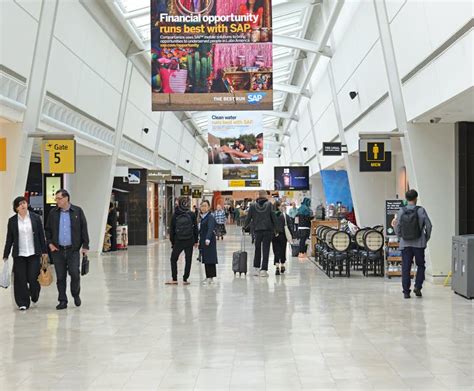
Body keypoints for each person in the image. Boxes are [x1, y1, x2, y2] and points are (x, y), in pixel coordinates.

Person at [45, 190, 89, 310]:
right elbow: (47, 230)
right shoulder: (53, 213)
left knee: (75, 274)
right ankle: (62, 300)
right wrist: (50, 244)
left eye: (58, 198)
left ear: (66, 199)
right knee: (60, 277)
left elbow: (84, 228)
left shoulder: (77, 211)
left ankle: (75, 294)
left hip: (73, 250)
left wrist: (85, 246)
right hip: (57, 250)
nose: (57, 201)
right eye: (56, 199)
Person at [3, 197, 48, 310]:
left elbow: (41, 236)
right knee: (20, 279)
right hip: (19, 254)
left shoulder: (35, 218)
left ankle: (34, 294)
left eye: (24, 202)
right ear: (16, 208)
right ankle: (22, 302)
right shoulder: (12, 221)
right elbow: (9, 239)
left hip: (33, 253)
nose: (22, 205)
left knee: (33, 278)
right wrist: (6, 254)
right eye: (19, 204)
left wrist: (44, 251)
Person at [394, 189, 432, 299]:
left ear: (406, 199)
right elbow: (429, 226)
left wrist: (400, 237)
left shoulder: (401, 211)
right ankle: (418, 287)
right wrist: (426, 238)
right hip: (419, 244)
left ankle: (406, 292)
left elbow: (397, 226)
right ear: (416, 198)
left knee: (406, 267)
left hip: (405, 244)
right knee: (420, 265)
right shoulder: (421, 210)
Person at [244, 190, 278, 277]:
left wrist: (244, 226)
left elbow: (248, 218)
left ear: (259, 195)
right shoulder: (269, 205)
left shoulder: (252, 206)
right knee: (266, 250)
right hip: (268, 230)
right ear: (265, 196)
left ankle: (256, 268)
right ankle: (264, 270)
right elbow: (273, 217)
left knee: (257, 249)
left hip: (257, 230)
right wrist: (277, 229)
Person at [166, 196, 198, 285]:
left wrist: (173, 242)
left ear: (178, 203)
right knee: (188, 260)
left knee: (173, 259)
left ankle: (174, 279)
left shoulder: (175, 214)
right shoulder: (192, 214)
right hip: (189, 240)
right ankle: (185, 279)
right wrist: (196, 241)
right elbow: (195, 228)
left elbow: (172, 230)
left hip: (178, 241)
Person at [198, 200, 218, 284]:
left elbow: (210, 228)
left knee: (210, 258)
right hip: (203, 241)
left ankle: (210, 277)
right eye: (202, 206)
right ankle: (208, 276)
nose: (203, 207)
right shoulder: (203, 217)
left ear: (209, 207)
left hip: (209, 241)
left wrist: (208, 239)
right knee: (206, 258)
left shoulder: (210, 217)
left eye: (205, 206)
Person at [272, 201, 293, 275]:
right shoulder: (285, 216)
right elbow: (290, 226)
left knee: (276, 251)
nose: (282, 207)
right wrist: (292, 235)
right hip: (283, 236)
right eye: (281, 206)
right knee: (282, 250)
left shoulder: (272, 215)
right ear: (278, 207)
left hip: (274, 235)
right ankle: (283, 265)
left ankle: (277, 266)